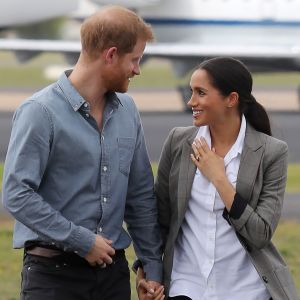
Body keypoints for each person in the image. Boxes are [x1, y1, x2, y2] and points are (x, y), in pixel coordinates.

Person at [2, 6, 164, 300]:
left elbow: (139, 197)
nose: (137, 70)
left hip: (113, 276)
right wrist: (82, 241)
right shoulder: (39, 112)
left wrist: (151, 267)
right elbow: (16, 194)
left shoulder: (128, 112)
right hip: (53, 277)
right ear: (111, 54)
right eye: (135, 60)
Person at [137, 57, 298, 300]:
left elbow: (260, 234)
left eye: (201, 93)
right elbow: (160, 217)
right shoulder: (178, 142)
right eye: (191, 92)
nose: (191, 101)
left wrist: (220, 180)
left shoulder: (272, 152)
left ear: (231, 99)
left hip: (246, 291)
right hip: (186, 286)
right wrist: (147, 271)